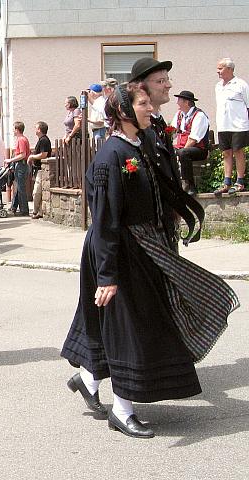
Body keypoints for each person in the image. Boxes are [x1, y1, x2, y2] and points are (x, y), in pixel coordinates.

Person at [61, 82, 239, 439]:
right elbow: (106, 220)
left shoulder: (137, 146)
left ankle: (90, 378)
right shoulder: (111, 156)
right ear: (123, 112)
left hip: (143, 247)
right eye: (143, 103)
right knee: (133, 329)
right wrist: (107, 276)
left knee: (138, 324)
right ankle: (122, 411)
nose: (151, 108)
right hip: (120, 252)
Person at [130, 57, 182, 251]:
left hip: (166, 221)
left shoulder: (159, 123)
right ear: (140, 88)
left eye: (167, 79)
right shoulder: (138, 129)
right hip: (150, 227)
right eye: (160, 81)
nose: (168, 85)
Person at [214, 57, 249, 195]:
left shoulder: (241, 84)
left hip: (239, 125)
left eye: (220, 68)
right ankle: (226, 182)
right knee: (226, 153)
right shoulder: (218, 86)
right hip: (223, 125)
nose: (218, 71)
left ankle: (240, 181)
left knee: (238, 151)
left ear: (229, 69)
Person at [170, 90, 210, 195]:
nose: (177, 103)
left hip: (199, 150)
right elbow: (172, 131)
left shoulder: (199, 116)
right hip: (182, 148)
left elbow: (193, 139)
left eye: (179, 100)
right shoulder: (179, 114)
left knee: (184, 153)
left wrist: (180, 151)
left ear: (187, 102)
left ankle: (190, 185)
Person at [5, 121, 30, 216]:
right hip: (20, 165)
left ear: (17, 130)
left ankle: (24, 210)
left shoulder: (21, 140)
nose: (13, 131)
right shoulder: (23, 139)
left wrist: (10, 160)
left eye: (13, 129)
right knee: (18, 187)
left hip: (21, 165)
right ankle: (14, 207)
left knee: (21, 188)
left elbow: (23, 155)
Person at [28, 121, 52, 219]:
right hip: (38, 169)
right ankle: (40, 212)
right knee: (39, 191)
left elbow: (44, 154)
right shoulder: (41, 140)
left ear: (39, 129)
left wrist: (32, 157)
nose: (35, 130)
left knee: (36, 191)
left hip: (42, 170)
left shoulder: (44, 140)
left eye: (36, 128)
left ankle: (35, 211)